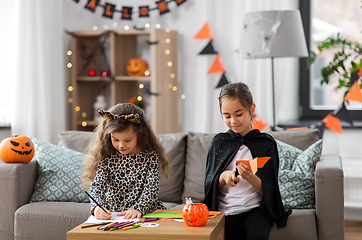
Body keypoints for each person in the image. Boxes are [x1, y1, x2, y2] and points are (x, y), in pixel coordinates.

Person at [203, 82, 291, 240]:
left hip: (256, 210)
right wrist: (223, 177)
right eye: (227, 116)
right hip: (225, 212)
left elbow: (270, 190)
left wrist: (251, 177)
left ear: (252, 109)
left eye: (238, 114)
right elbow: (209, 185)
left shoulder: (266, 143)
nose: (233, 121)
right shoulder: (219, 142)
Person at [81, 103, 169, 220]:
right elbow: (97, 186)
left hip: (145, 211)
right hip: (115, 214)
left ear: (140, 135)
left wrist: (138, 208)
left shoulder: (150, 155)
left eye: (127, 140)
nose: (121, 145)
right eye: (115, 139)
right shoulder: (107, 155)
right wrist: (97, 207)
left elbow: (151, 187)